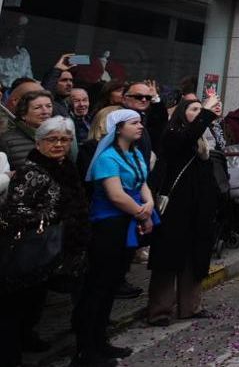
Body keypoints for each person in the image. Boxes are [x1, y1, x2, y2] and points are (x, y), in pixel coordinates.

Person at [0, 116, 89, 366]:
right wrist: (53, 214)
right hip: (26, 251)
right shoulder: (32, 172)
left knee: (32, 307)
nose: (59, 144)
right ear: (39, 143)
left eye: (64, 139)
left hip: (47, 252)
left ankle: (24, 343)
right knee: (14, 310)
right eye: (52, 139)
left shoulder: (64, 167)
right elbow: (13, 212)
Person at [74, 109, 154, 365]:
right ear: (119, 128)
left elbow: (142, 182)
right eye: (134, 123)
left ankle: (101, 342)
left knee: (112, 285)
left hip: (129, 221)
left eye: (140, 122)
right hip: (109, 225)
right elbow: (115, 194)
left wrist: (150, 205)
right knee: (98, 285)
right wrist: (142, 213)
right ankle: (86, 349)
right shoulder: (108, 157)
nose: (140, 127)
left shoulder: (135, 153)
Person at [146, 93, 223, 325]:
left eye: (201, 110)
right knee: (168, 258)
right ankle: (160, 310)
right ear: (181, 113)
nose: (199, 114)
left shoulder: (203, 142)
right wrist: (207, 112)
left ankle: (191, 306)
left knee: (195, 257)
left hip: (199, 207)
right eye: (194, 110)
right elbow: (187, 138)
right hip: (176, 207)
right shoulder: (173, 135)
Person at [2, 89, 58, 167]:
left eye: (49, 106)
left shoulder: (61, 136)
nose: (45, 111)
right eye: (37, 108)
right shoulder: (7, 141)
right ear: (23, 114)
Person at [122, 81, 165, 166]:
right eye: (138, 97)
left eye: (148, 97)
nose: (144, 100)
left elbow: (160, 123)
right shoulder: (116, 116)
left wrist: (155, 99)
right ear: (124, 98)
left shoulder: (145, 116)